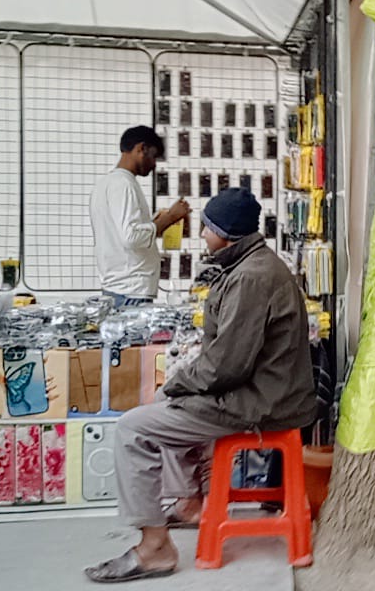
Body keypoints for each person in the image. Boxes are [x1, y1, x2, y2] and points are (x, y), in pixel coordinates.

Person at [84, 188, 315, 583]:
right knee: (163, 400)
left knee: (133, 428)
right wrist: (180, 384)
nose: (203, 235)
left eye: (206, 228)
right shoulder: (250, 266)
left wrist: (181, 381)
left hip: (262, 402)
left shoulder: (251, 278)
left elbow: (227, 365)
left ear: (225, 233)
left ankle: (153, 546)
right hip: (263, 391)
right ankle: (190, 502)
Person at [90, 127, 189, 307]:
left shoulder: (107, 183)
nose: (154, 164)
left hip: (121, 287)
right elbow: (132, 238)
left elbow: (124, 234)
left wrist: (156, 221)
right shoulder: (124, 185)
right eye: (154, 156)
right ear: (141, 149)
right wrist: (170, 218)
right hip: (130, 290)